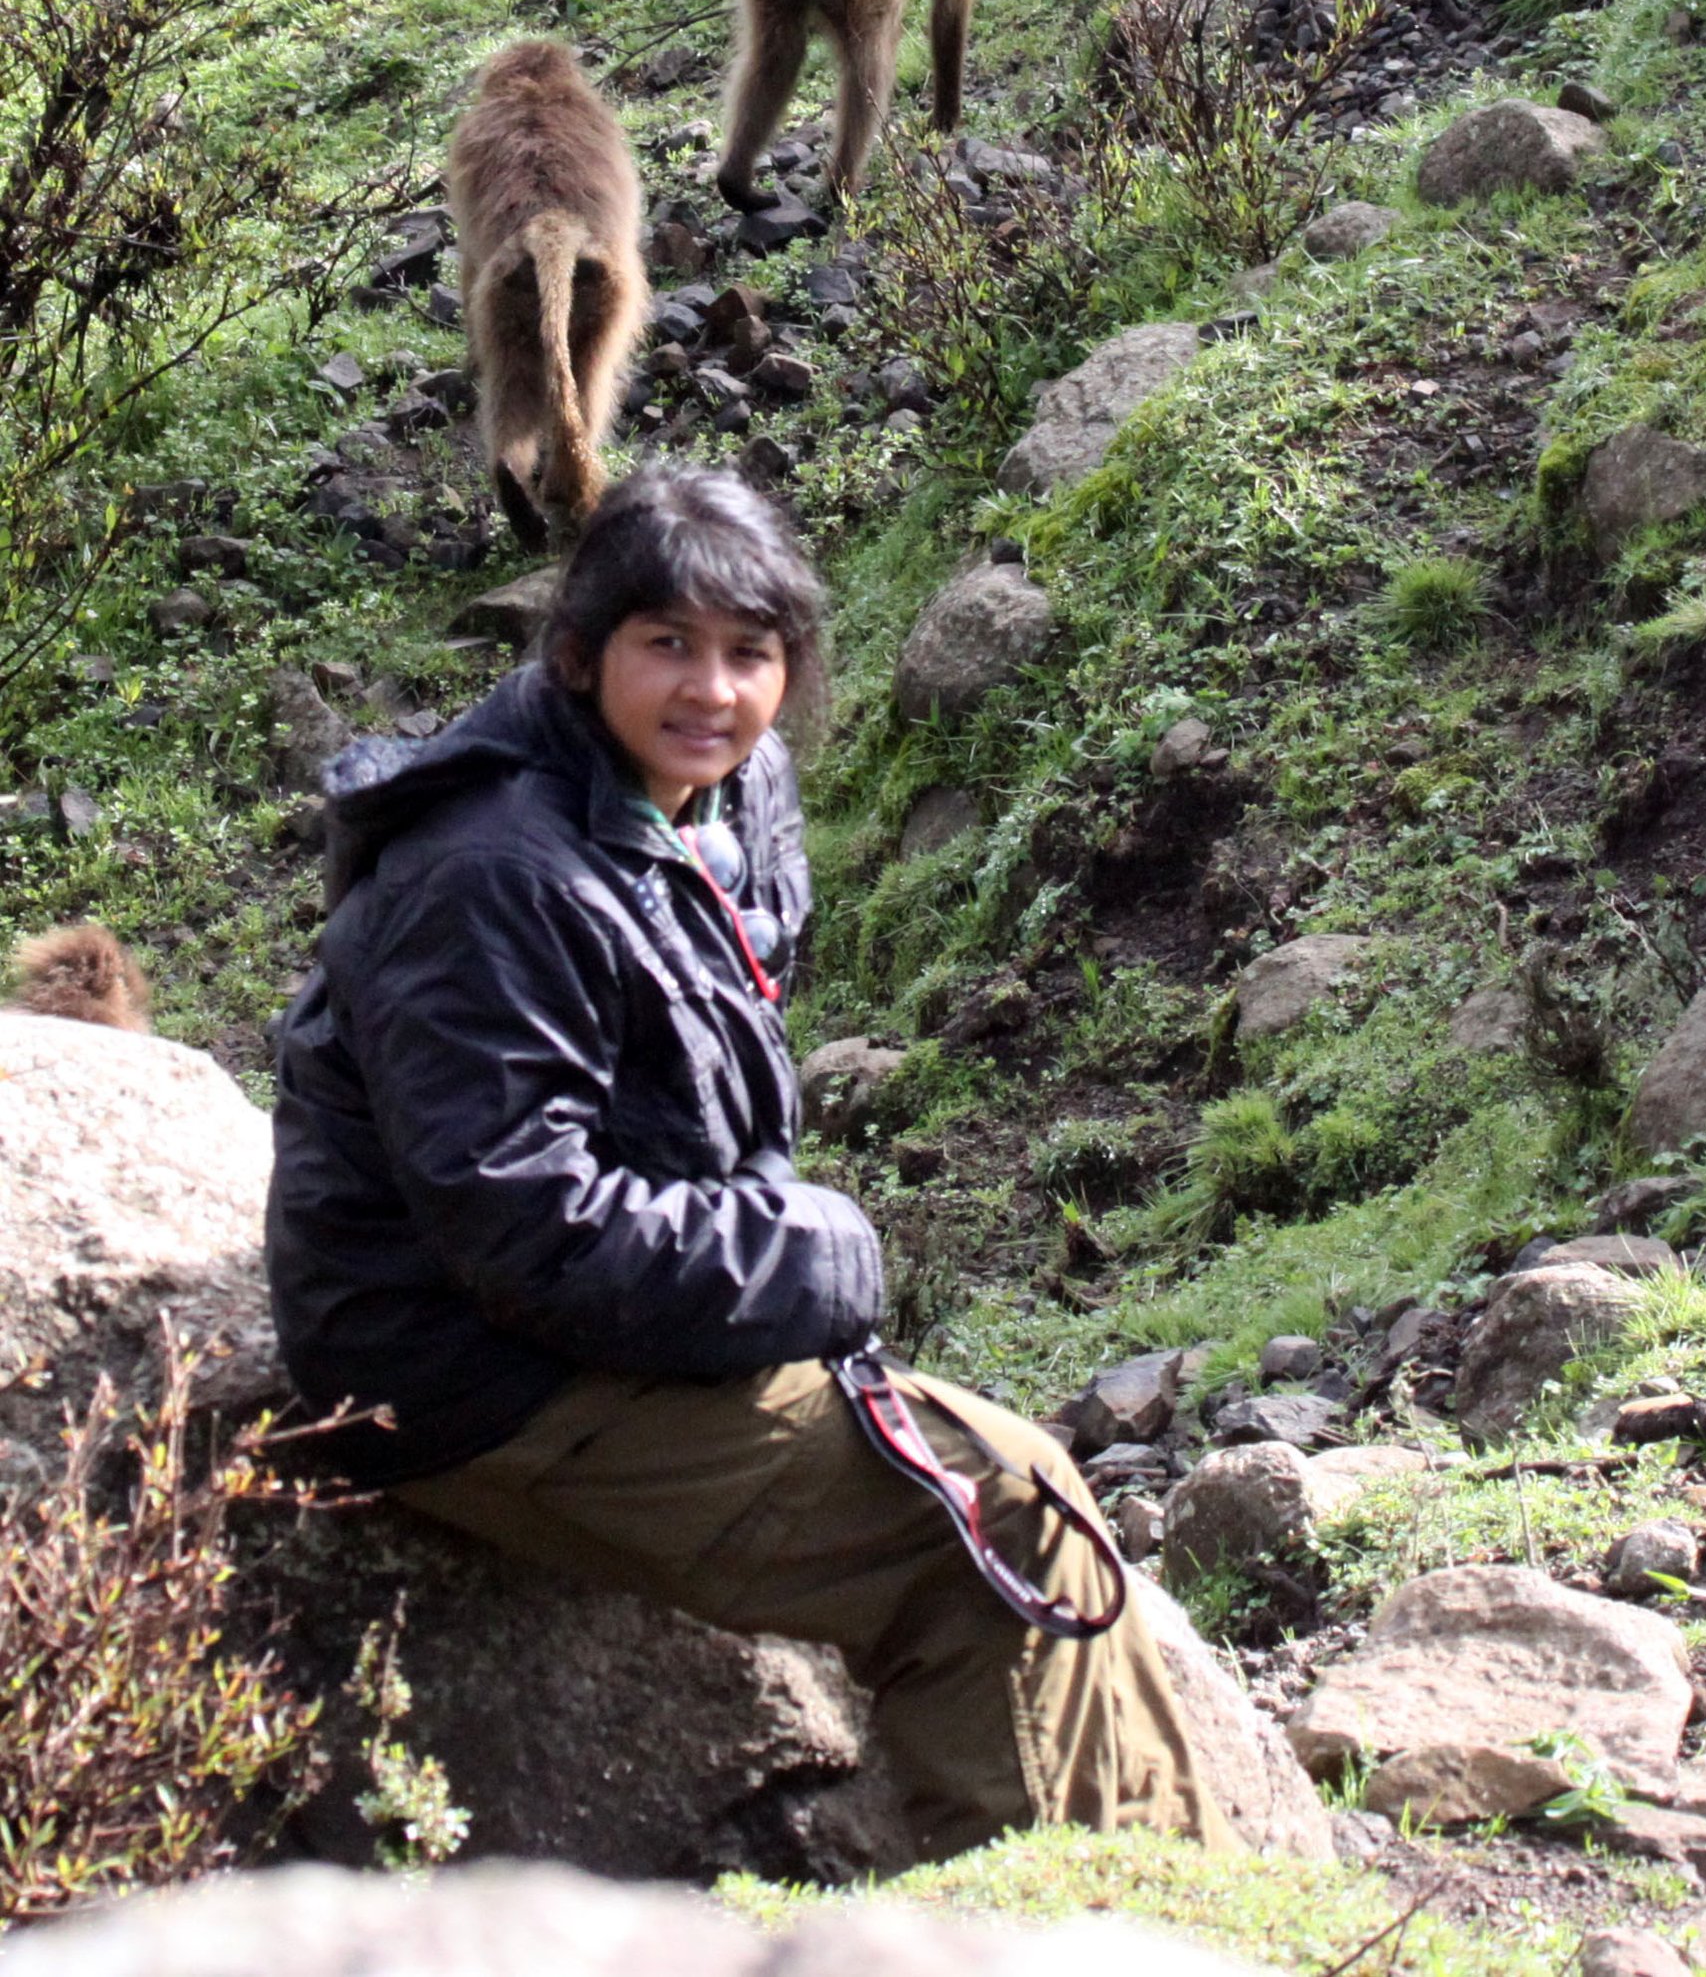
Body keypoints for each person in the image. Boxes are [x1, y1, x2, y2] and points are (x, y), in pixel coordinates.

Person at [265, 464, 1230, 1862]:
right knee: (991, 1538)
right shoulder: (488, 873)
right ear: (582, 653)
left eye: (750, 654)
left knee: (1033, 1484)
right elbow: (525, 1227)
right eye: (668, 645)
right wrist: (811, 1260)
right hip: (474, 1369)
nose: (711, 690)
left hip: (610, 1320)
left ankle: (1180, 1917)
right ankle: (1066, 1933)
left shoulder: (721, 797)